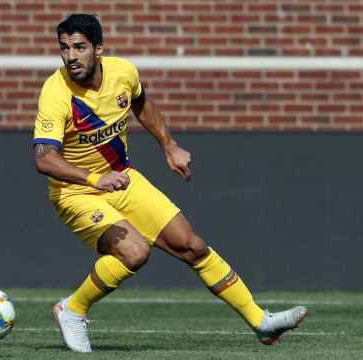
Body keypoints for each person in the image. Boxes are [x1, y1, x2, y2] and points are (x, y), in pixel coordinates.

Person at [32, 14, 307, 353]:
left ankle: (260, 322)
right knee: (134, 252)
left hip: (122, 179)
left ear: (98, 49)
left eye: (79, 47)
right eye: (64, 48)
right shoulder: (55, 91)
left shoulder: (123, 73)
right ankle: (72, 310)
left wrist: (169, 145)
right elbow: (44, 159)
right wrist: (94, 179)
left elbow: (142, 105)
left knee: (191, 245)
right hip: (75, 192)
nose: (71, 56)